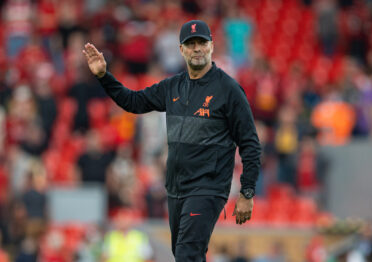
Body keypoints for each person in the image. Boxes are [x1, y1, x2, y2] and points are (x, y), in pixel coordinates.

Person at [83, 20, 261, 262]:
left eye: (202, 43)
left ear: (211, 46)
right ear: (181, 50)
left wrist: (247, 192)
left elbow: (250, 143)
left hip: (208, 187)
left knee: (187, 255)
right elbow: (133, 102)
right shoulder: (172, 86)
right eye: (191, 44)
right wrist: (104, 76)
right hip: (177, 188)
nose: (197, 48)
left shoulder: (229, 90)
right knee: (184, 255)